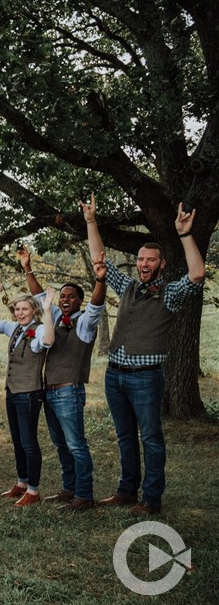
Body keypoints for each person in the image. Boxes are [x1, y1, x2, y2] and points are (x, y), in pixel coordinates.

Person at [83, 196, 205, 515]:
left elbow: (197, 274)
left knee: (150, 439)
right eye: (141, 259)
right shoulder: (127, 287)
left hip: (146, 379)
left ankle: (151, 499)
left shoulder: (170, 294)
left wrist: (184, 234)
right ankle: (126, 490)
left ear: (161, 264)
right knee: (125, 437)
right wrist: (92, 221)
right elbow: (99, 259)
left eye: (151, 260)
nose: (144, 264)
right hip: (115, 375)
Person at [17, 247, 107, 512]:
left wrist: (99, 281)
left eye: (71, 296)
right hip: (50, 391)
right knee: (60, 444)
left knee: (76, 445)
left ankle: (84, 495)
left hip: (69, 390)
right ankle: (69, 489)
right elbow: (37, 293)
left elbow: (97, 305)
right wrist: (27, 267)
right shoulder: (55, 317)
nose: (65, 299)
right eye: (63, 296)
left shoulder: (85, 323)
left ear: (80, 301)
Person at [0, 275, 56, 507]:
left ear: (33, 310)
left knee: (29, 442)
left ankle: (33, 490)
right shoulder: (16, 329)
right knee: (17, 440)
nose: (19, 313)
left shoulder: (38, 330)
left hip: (29, 393)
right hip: (13, 392)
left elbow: (47, 341)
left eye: (24, 309)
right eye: (17, 309)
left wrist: (47, 311)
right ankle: (21, 482)